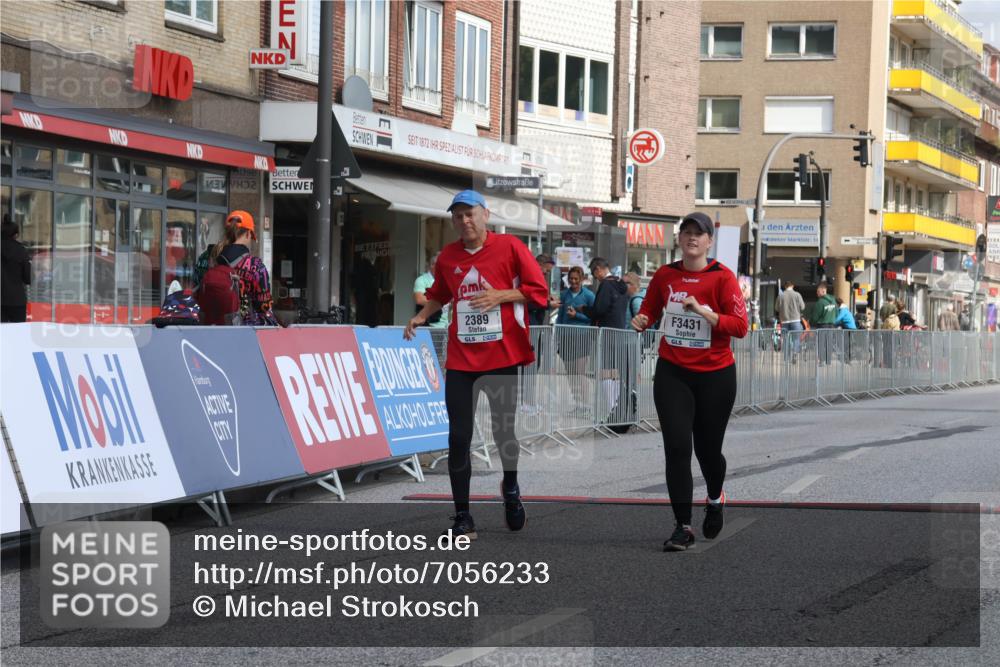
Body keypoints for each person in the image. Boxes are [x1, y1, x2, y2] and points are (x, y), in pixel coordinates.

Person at [404, 190, 547, 540]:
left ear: (485, 214)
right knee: (458, 437)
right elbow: (441, 293)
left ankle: (511, 489)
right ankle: (463, 516)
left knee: (503, 433)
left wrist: (500, 295)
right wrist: (421, 317)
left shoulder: (510, 247)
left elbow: (539, 290)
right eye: (457, 216)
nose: (464, 221)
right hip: (462, 359)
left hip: (502, 357)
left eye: (470, 214)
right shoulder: (449, 256)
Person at [631, 212, 748, 551]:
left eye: (699, 233)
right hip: (673, 372)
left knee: (708, 451)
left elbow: (739, 327)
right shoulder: (665, 275)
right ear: (679, 239)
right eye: (687, 232)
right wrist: (641, 319)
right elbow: (650, 310)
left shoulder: (723, 278)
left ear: (709, 241)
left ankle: (715, 497)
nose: (692, 238)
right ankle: (682, 526)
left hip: (715, 375)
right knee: (678, 448)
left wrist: (702, 311)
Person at [579, 257, 631, 430]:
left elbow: (599, 310)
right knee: (615, 373)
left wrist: (583, 310)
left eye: (595, 274)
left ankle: (611, 411)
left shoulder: (606, 285)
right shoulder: (620, 283)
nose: (596, 278)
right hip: (619, 332)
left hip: (606, 333)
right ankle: (619, 410)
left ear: (599, 269)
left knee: (604, 373)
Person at [206, 210, 279, 326]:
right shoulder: (255, 266)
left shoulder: (211, 260)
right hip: (245, 331)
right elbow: (264, 307)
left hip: (214, 328)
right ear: (248, 234)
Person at [557, 266, 595, 413]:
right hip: (566, 337)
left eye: (576, 279)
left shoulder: (589, 295)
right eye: (571, 279)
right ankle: (578, 403)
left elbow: (593, 316)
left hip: (582, 338)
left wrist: (577, 316)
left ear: (582, 279)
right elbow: (560, 316)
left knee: (580, 373)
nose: (573, 282)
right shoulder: (564, 294)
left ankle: (586, 405)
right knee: (571, 374)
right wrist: (558, 335)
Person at [1, 216, 31, 323]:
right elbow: (28, 278)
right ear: (16, 235)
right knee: (17, 334)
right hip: (17, 300)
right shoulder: (21, 251)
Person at [413, 252, 447, 328]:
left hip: (447, 325)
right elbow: (419, 299)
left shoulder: (446, 280)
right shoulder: (421, 280)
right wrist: (439, 303)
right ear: (433, 265)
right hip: (431, 325)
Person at [808, 283, 838, 365]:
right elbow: (837, 312)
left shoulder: (820, 302)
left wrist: (811, 323)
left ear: (823, 291)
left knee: (821, 343)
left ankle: (821, 361)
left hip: (822, 325)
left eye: (818, 291)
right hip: (831, 325)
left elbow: (815, 316)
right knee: (829, 343)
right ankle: (828, 361)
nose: (817, 293)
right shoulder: (833, 301)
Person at [775, 281, 806, 359]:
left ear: (785, 287)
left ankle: (786, 357)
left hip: (784, 321)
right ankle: (795, 353)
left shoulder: (780, 296)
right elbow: (802, 307)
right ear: (792, 286)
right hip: (795, 320)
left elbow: (776, 308)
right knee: (796, 338)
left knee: (785, 339)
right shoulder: (797, 295)